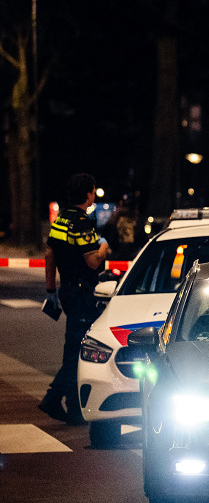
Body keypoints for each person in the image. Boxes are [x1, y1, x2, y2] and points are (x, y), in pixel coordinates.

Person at [40, 173, 111, 424]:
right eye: (93, 191)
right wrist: (103, 246)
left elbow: (50, 255)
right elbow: (92, 261)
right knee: (77, 349)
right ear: (88, 194)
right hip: (82, 292)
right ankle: (58, 399)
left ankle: (71, 405)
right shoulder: (81, 222)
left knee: (76, 346)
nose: (94, 194)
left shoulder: (61, 220)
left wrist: (51, 291)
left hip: (67, 290)